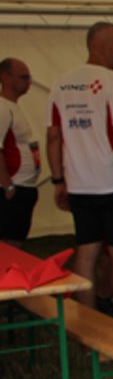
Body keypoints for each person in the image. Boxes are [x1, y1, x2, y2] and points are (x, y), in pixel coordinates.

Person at [46, 22, 113, 327]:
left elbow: (54, 136)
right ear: (101, 45)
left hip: (80, 185)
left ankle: (85, 326)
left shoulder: (61, 83)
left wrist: (58, 181)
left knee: (86, 252)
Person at [0, 57, 40, 246]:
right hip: (14, 188)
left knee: (16, 242)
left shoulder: (12, 107)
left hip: (23, 187)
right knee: (9, 245)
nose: (29, 82)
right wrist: (7, 185)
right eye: (24, 77)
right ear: (6, 78)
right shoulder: (2, 107)